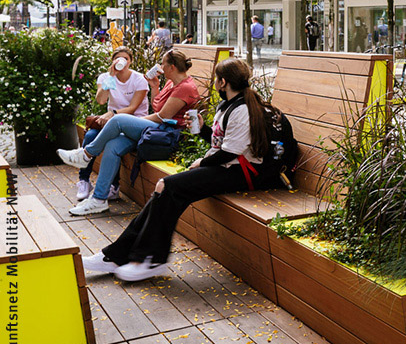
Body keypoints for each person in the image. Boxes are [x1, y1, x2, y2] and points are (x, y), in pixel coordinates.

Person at [80, 58, 285, 282]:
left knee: (168, 186)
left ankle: (149, 259)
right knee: (164, 189)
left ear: (223, 82)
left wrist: (202, 163)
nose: (216, 83)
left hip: (243, 173)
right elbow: (222, 144)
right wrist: (204, 129)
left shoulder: (241, 109)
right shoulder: (228, 105)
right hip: (228, 167)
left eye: (217, 79)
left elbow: (230, 153)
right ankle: (119, 255)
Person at [58, 49, 201, 216]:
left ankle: (86, 155)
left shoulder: (185, 87)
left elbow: (163, 117)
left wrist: (131, 122)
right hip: (156, 129)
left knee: (118, 120)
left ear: (172, 67)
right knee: (112, 145)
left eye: (163, 64)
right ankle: (99, 199)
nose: (160, 67)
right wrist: (155, 86)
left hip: (167, 133)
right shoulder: (171, 83)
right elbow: (157, 107)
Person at [76, 47, 150, 202]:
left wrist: (113, 113)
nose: (122, 62)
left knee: (111, 142)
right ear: (112, 60)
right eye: (118, 58)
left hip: (134, 124)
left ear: (130, 62)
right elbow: (101, 100)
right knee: (89, 136)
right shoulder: (106, 77)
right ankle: (84, 181)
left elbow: (133, 108)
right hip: (111, 123)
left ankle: (113, 186)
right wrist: (111, 76)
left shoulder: (138, 79)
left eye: (126, 59)